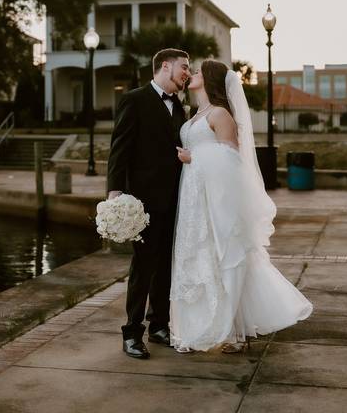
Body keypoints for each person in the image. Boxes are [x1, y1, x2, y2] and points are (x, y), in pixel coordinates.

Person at [170, 59, 312, 353]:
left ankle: (230, 328)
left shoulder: (221, 114)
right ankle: (200, 323)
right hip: (196, 196)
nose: (192, 75)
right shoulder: (197, 113)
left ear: (209, 79)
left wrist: (194, 157)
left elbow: (231, 160)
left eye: (197, 72)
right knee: (199, 256)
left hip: (216, 200)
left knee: (222, 257)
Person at [106, 48, 190, 359]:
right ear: (165, 66)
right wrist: (115, 193)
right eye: (184, 67)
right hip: (142, 202)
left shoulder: (179, 106)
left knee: (166, 264)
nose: (187, 73)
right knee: (143, 267)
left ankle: (159, 325)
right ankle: (131, 333)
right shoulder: (134, 99)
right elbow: (120, 148)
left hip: (175, 200)